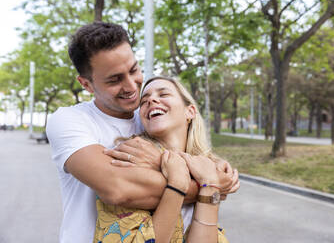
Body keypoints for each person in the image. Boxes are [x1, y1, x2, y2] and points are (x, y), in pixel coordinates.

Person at [46, 22, 239, 243]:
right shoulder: (70, 120)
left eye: (134, 70)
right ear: (87, 84)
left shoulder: (151, 118)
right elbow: (118, 188)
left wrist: (207, 179)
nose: (131, 86)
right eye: (114, 79)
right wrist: (207, 186)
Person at [94, 76, 234, 242]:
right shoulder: (128, 157)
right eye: (144, 100)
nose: (151, 100)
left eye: (163, 94)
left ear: (190, 111)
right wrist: (177, 184)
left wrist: (210, 183)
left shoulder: (207, 169)